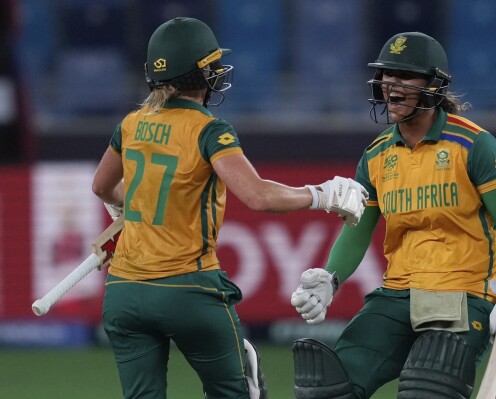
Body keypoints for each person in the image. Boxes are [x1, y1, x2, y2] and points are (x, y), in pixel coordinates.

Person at [91, 17, 367, 399]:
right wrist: (323, 194)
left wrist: (128, 208)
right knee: (237, 391)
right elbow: (258, 196)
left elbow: (101, 186)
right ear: (200, 73)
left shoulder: (131, 123)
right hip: (188, 288)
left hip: (124, 292)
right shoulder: (209, 128)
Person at [290, 32, 496, 399]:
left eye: (405, 77)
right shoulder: (375, 155)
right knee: (327, 386)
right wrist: (330, 278)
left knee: (426, 391)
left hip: (463, 294)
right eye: (387, 76)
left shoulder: (475, 146)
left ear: (433, 85)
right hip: (398, 294)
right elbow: (358, 231)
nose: (392, 87)